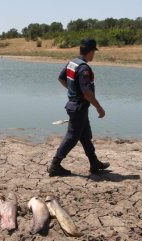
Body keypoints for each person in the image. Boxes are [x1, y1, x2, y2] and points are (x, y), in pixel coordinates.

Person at [48, 38, 109, 177]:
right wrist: (99, 108)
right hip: (78, 107)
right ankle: (55, 164)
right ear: (90, 51)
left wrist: (73, 90)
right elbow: (87, 91)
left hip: (76, 106)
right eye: (94, 52)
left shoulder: (72, 63)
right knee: (72, 137)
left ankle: (94, 163)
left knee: (85, 135)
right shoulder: (84, 68)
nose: (94, 55)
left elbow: (61, 78)